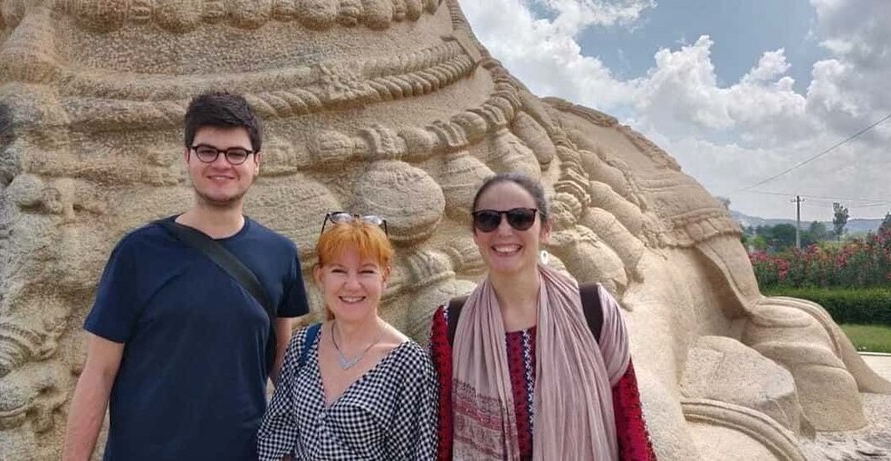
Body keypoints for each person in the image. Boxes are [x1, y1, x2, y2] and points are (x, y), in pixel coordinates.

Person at [62, 92, 309, 460]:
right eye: (207, 150)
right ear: (187, 156)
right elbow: (98, 371)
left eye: (236, 153)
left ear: (257, 162)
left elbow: (280, 360)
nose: (222, 163)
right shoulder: (138, 253)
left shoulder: (280, 254)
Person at [430, 173, 656, 461]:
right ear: (475, 233)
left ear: (545, 229)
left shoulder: (593, 309)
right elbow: (444, 438)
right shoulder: (452, 323)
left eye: (520, 218)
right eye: (488, 219)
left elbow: (630, 423)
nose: (503, 230)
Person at [258, 212, 438, 460]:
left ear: (385, 276)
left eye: (366, 272)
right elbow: (278, 431)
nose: (352, 285)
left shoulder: (408, 364)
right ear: (321, 277)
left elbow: (415, 454)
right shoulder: (303, 344)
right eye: (339, 271)